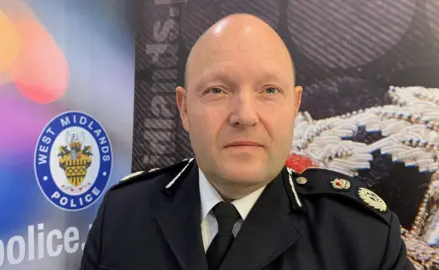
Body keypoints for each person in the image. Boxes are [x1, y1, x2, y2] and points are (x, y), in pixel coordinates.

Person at [80, 13, 415, 270]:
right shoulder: (122, 215)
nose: (244, 115)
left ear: (294, 107)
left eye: (269, 90)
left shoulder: (362, 238)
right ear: (184, 108)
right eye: (217, 90)